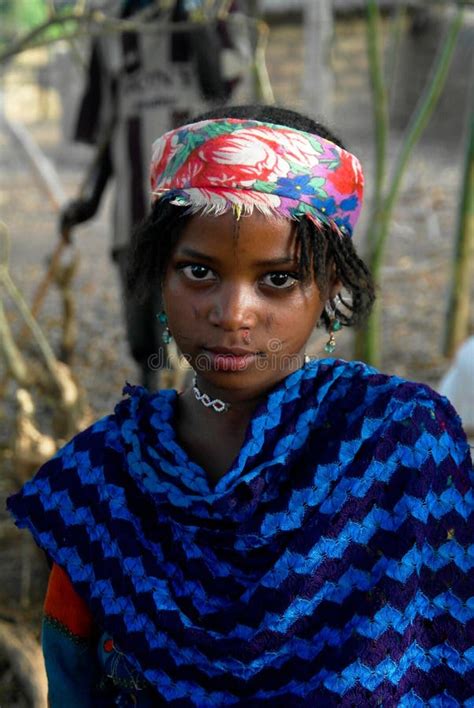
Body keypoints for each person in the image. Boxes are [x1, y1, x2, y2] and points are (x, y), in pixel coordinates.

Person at [8, 105, 473, 706]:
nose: (232, 314)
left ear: (331, 286)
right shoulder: (102, 483)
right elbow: (71, 680)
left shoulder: (402, 451)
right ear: (159, 276)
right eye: (198, 271)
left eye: (278, 279)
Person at [60, 0, 247, 388]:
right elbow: (112, 129)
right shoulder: (110, 26)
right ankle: (153, 412)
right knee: (142, 333)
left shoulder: (210, 17)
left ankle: (195, 412)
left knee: (190, 321)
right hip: (132, 217)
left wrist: (191, 13)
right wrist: (89, 203)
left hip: (196, 213)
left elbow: (219, 89)